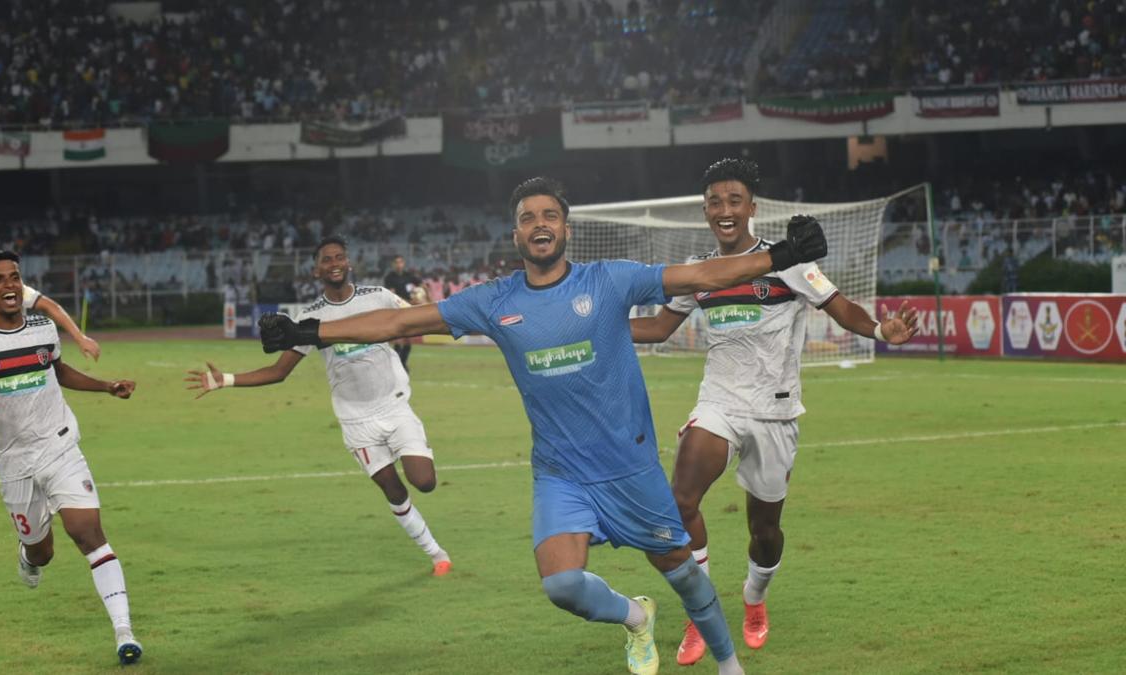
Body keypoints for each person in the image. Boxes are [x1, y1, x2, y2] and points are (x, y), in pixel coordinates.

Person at [258, 177, 829, 675]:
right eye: (528, 217)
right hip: (562, 475)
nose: (539, 224)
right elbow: (398, 321)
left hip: (630, 469)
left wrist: (777, 256)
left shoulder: (610, 280)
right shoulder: (493, 301)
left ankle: (729, 664)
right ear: (516, 235)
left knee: (684, 577)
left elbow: (701, 273)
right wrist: (310, 332)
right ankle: (635, 617)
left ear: (566, 229)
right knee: (561, 585)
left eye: (549, 215)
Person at [630, 158, 920, 663]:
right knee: (680, 500)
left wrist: (880, 329)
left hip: (775, 412)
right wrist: (592, 326)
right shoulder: (700, 272)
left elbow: (840, 307)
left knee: (764, 532)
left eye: (734, 201)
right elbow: (656, 328)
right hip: (719, 403)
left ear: (752, 208)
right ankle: (701, 613)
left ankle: (755, 596)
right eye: (715, 202)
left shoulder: (787, 262)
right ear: (705, 211)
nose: (724, 210)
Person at [186, 236, 451, 576]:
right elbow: (279, 372)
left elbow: (420, 317)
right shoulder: (310, 318)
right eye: (327, 259)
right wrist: (226, 380)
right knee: (393, 490)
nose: (334, 263)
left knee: (424, 481)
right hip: (356, 421)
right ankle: (436, 553)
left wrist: (427, 303)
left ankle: (434, 544)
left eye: (340, 257)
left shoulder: (379, 296)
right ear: (316, 271)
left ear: (349, 263)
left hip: (395, 407)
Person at [0, 251, 142, 665]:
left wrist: (105, 386)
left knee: (88, 533)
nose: (9, 285)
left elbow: (59, 372)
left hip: (59, 445)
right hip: (13, 462)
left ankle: (125, 633)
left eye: (14, 277)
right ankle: (27, 555)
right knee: (41, 552)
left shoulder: (43, 328)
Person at [382, 254, 421, 370]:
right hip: (397, 309)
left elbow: (421, 285)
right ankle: (399, 364)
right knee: (398, 338)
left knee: (408, 339)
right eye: (396, 262)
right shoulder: (390, 277)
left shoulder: (409, 276)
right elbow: (391, 294)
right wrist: (406, 301)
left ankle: (403, 363)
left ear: (403, 263)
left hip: (408, 310)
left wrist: (420, 295)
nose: (399, 265)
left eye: (400, 262)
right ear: (393, 264)